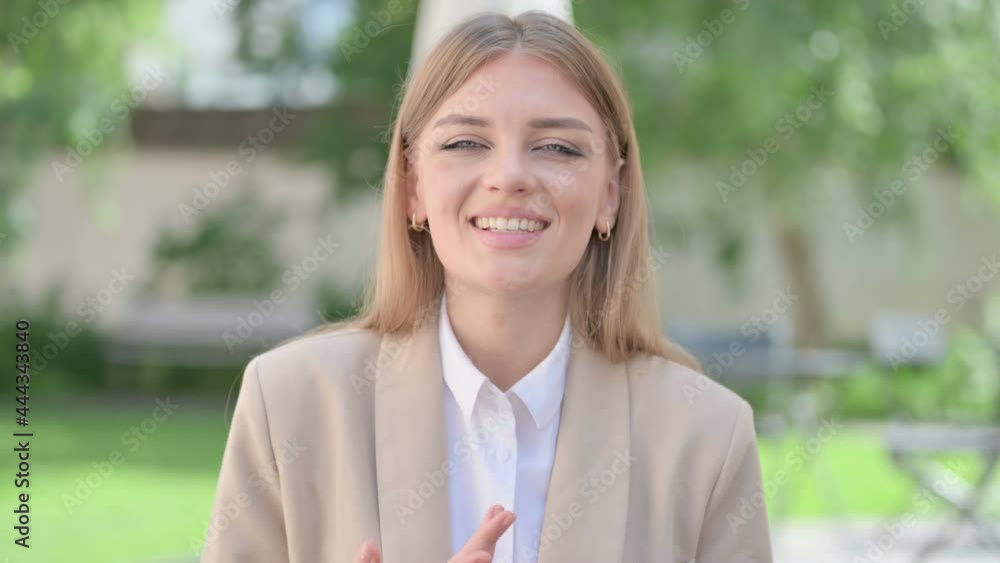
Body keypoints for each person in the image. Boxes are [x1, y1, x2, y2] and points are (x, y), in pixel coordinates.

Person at [200, 10, 772, 563]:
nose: (509, 176)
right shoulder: (290, 405)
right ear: (413, 186)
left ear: (611, 194)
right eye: (465, 143)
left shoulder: (707, 436)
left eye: (558, 147)